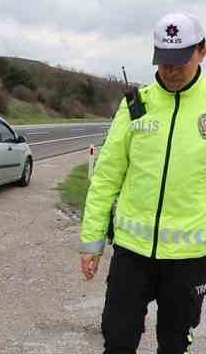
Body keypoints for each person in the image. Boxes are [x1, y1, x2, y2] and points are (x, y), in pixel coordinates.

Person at [80, 11, 206, 354]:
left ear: (202, 51)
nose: (172, 69)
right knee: (118, 341)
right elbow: (106, 177)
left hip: (189, 258)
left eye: (181, 59)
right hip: (132, 254)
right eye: (165, 60)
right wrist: (92, 242)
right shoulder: (137, 106)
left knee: (174, 343)